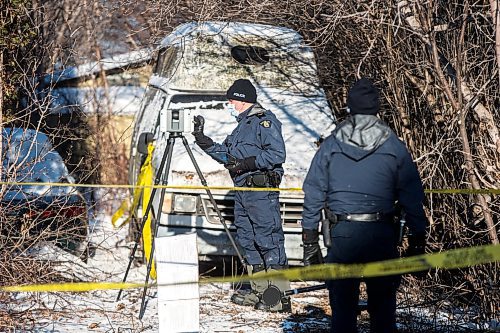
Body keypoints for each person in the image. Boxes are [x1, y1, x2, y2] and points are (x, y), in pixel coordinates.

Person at [301, 78, 428, 332]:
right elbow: (412, 195)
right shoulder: (393, 146)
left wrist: (310, 241)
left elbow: (313, 191)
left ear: (349, 108)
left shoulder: (331, 145)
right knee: (383, 311)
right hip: (381, 235)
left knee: (342, 310)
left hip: (342, 235)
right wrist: (417, 240)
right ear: (376, 109)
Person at [192, 78, 291, 313]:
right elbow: (227, 156)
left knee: (269, 240)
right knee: (248, 240)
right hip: (243, 192)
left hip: (260, 192)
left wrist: (247, 163)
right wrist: (202, 140)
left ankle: (277, 296)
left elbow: (277, 155)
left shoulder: (264, 122)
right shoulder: (241, 126)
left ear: (242, 100)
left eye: (231, 99)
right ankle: (258, 291)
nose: (229, 103)